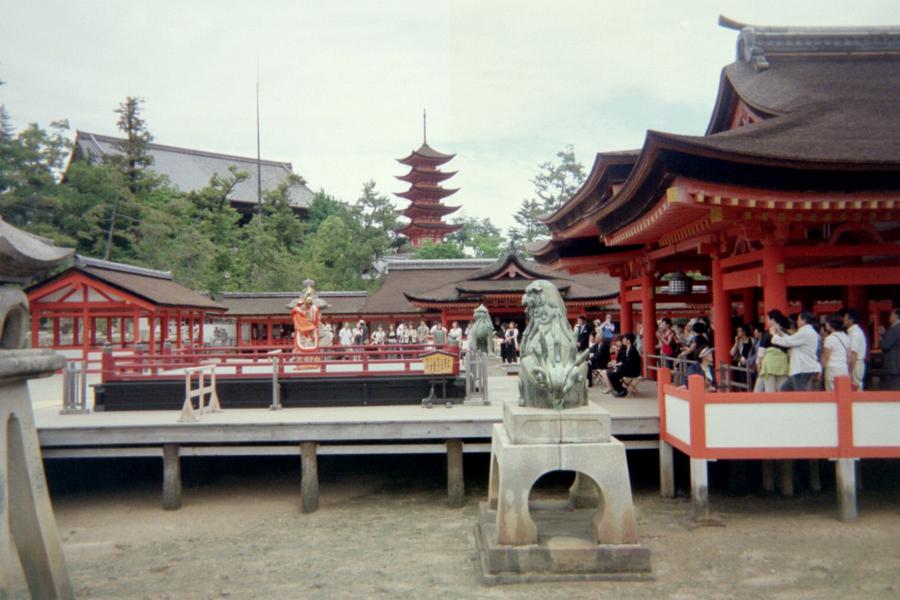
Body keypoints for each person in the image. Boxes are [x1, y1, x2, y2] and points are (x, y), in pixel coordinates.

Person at [771, 311, 821, 391]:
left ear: (804, 320)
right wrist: (782, 334)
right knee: (784, 390)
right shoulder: (808, 331)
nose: (797, 322)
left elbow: (788, 342)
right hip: (801, 368)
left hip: (802, 368)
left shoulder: (805, 332)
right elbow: (792, 340)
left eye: (798, 319)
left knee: (800, 394)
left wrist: (774, 335)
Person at [602, 333, 642, 397]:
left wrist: (617, 368)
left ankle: (621, 390)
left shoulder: (632, 350)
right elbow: (625, 362)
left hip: (633, 371)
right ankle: (620, 390)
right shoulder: (628, 348)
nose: (623, 340)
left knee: (613, 374)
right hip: (629, 368)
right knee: (611, 373)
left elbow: (629, 363)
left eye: (624, 339)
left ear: (628, 341)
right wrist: (617, 367)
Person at [820, 314, 850, 392]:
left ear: (830, 324)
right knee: (843, 391)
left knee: (831, 391)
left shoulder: (830, 338)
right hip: (843, 367)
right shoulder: (846, 337)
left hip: (832, 368)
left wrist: (821, 369)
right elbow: (849, 354)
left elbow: (825, 357)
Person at [841, 308, 868, 390]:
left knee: (856, 388)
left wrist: (850, 371)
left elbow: (854, 354)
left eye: (845, 318)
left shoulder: (855, 333)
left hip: (856, 364)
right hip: (855, 364)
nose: (843, 320)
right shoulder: (853, 332)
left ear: (851, 320)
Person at [879, 308, 900, 390]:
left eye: (891, 314)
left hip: (893, 365)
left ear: (896, 316)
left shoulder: (895, 329)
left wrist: (881, 338)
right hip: (897, 364)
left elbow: (885, 345)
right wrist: (884, 334)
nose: (889, 317)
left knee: (893, 389)